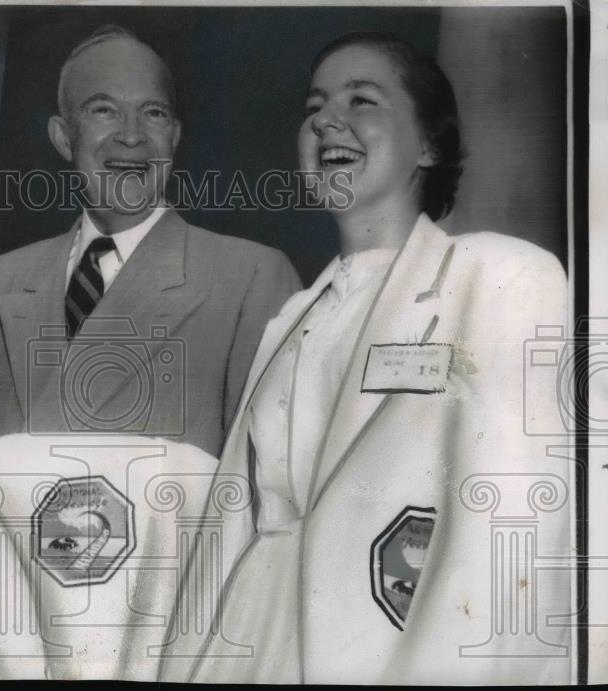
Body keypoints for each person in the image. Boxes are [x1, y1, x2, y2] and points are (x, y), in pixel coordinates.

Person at [158, 32, 572, 684]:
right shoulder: (291, 318)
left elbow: (514, 532)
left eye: (362, 100)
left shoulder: (503, 277)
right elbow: (228, 525)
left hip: (395, 653)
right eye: (314, 104)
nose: (326, 119)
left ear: (430, 143)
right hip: (247, 640)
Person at [0, 25, 301, 518]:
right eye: (103, 110)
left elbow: (277, 477)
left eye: (153, 113)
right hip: (2, 579)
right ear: (62, 135)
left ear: (175, 137)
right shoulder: (3, 279)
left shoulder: (252, 277)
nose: (132, 135)